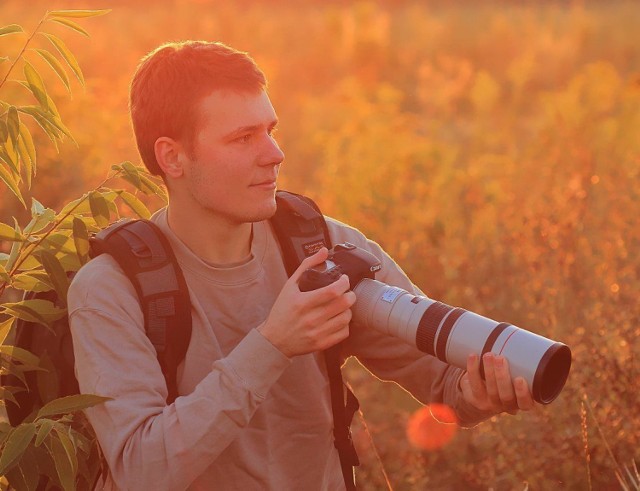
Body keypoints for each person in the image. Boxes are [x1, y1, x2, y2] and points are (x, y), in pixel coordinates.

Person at [68, 40, 535, 491]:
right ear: (172, 157)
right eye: (243, 138)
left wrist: (476, 395)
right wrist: (274, 344)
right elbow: (141, 472)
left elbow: (441, 381)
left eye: (270, 130)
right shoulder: (112, 289)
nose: (274, 154)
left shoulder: (320, 244)